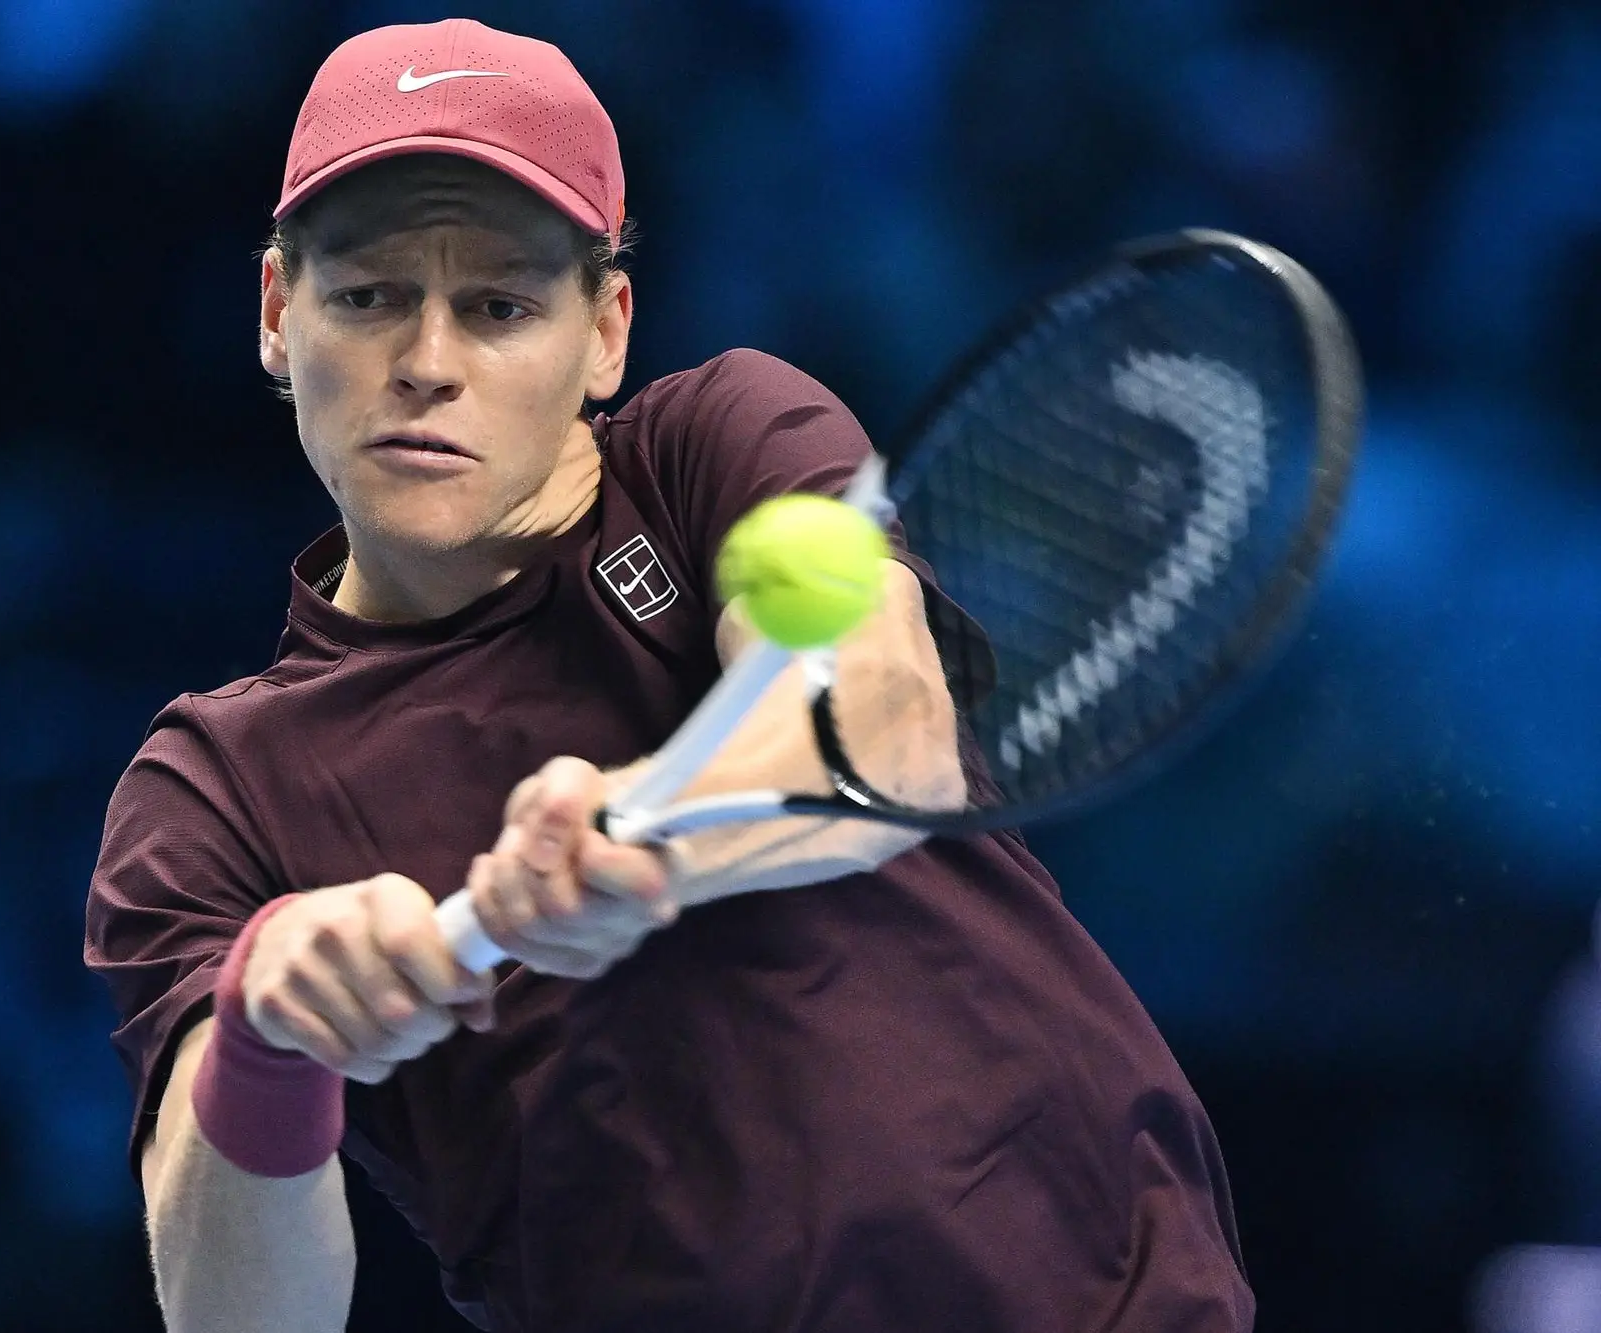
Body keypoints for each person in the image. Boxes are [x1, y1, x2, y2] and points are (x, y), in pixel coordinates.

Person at [85, 17, 1254, 1332]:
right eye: (366, 296)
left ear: (605, 333)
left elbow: (884, 728)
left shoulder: (723, 442)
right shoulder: (215, 796)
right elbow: (237, 1319)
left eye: (500, 307)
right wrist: (266, 1037)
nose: (426, 361)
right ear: (274, 316)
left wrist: (642, 841)